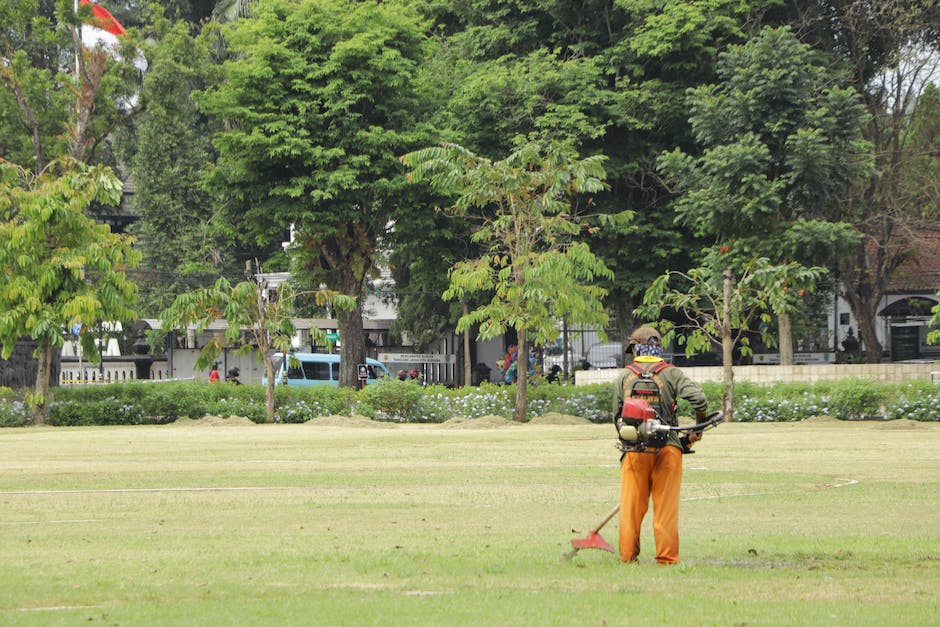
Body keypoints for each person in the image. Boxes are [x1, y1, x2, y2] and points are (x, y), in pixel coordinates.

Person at [613, 325, 708, 565]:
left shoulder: (625, 376)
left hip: (635, 451)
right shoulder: (671, 373)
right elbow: (699, 400)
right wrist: (697, 429)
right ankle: (666, 559)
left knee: (631, 508)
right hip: (669, 449)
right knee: (665, 509)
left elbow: (616, 416)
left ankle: (627, 557)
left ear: (636, 348)